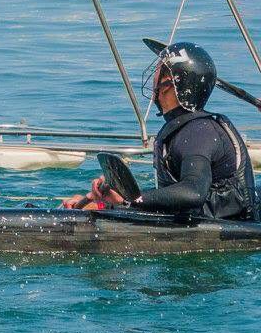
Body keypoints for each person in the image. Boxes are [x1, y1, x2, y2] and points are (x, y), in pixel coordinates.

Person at [66, 41, 256, 220]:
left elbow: (194, 192)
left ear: (171, 84)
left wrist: (128, 202)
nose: (153, 80)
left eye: (157, 72)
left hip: (229, 235)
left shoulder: (199, 132)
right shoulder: (188, 128)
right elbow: (174, 199)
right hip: (195, 224)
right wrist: (106, 204)